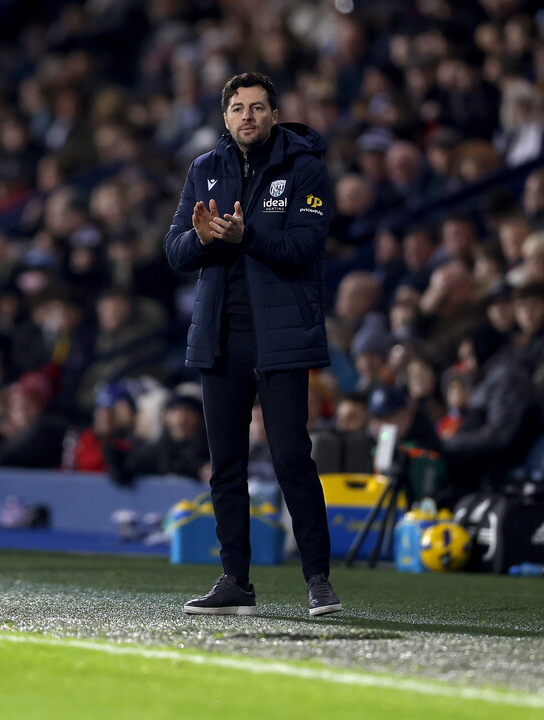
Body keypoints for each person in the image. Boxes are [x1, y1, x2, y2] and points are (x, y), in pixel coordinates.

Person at [164, 72, 341, 617]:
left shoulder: (305, 166)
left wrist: (246, 236)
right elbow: (174, 251)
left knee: (291, 457)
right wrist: (201, 238)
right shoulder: (204, 170)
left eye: (259, 107)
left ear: (274, 113)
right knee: (227, 466)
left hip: (281, 337)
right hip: (221, 336)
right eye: (238, 108)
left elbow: (305, 246)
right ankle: (234, 580)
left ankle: (318, 581)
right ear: (224, 117)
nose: (248, 116)